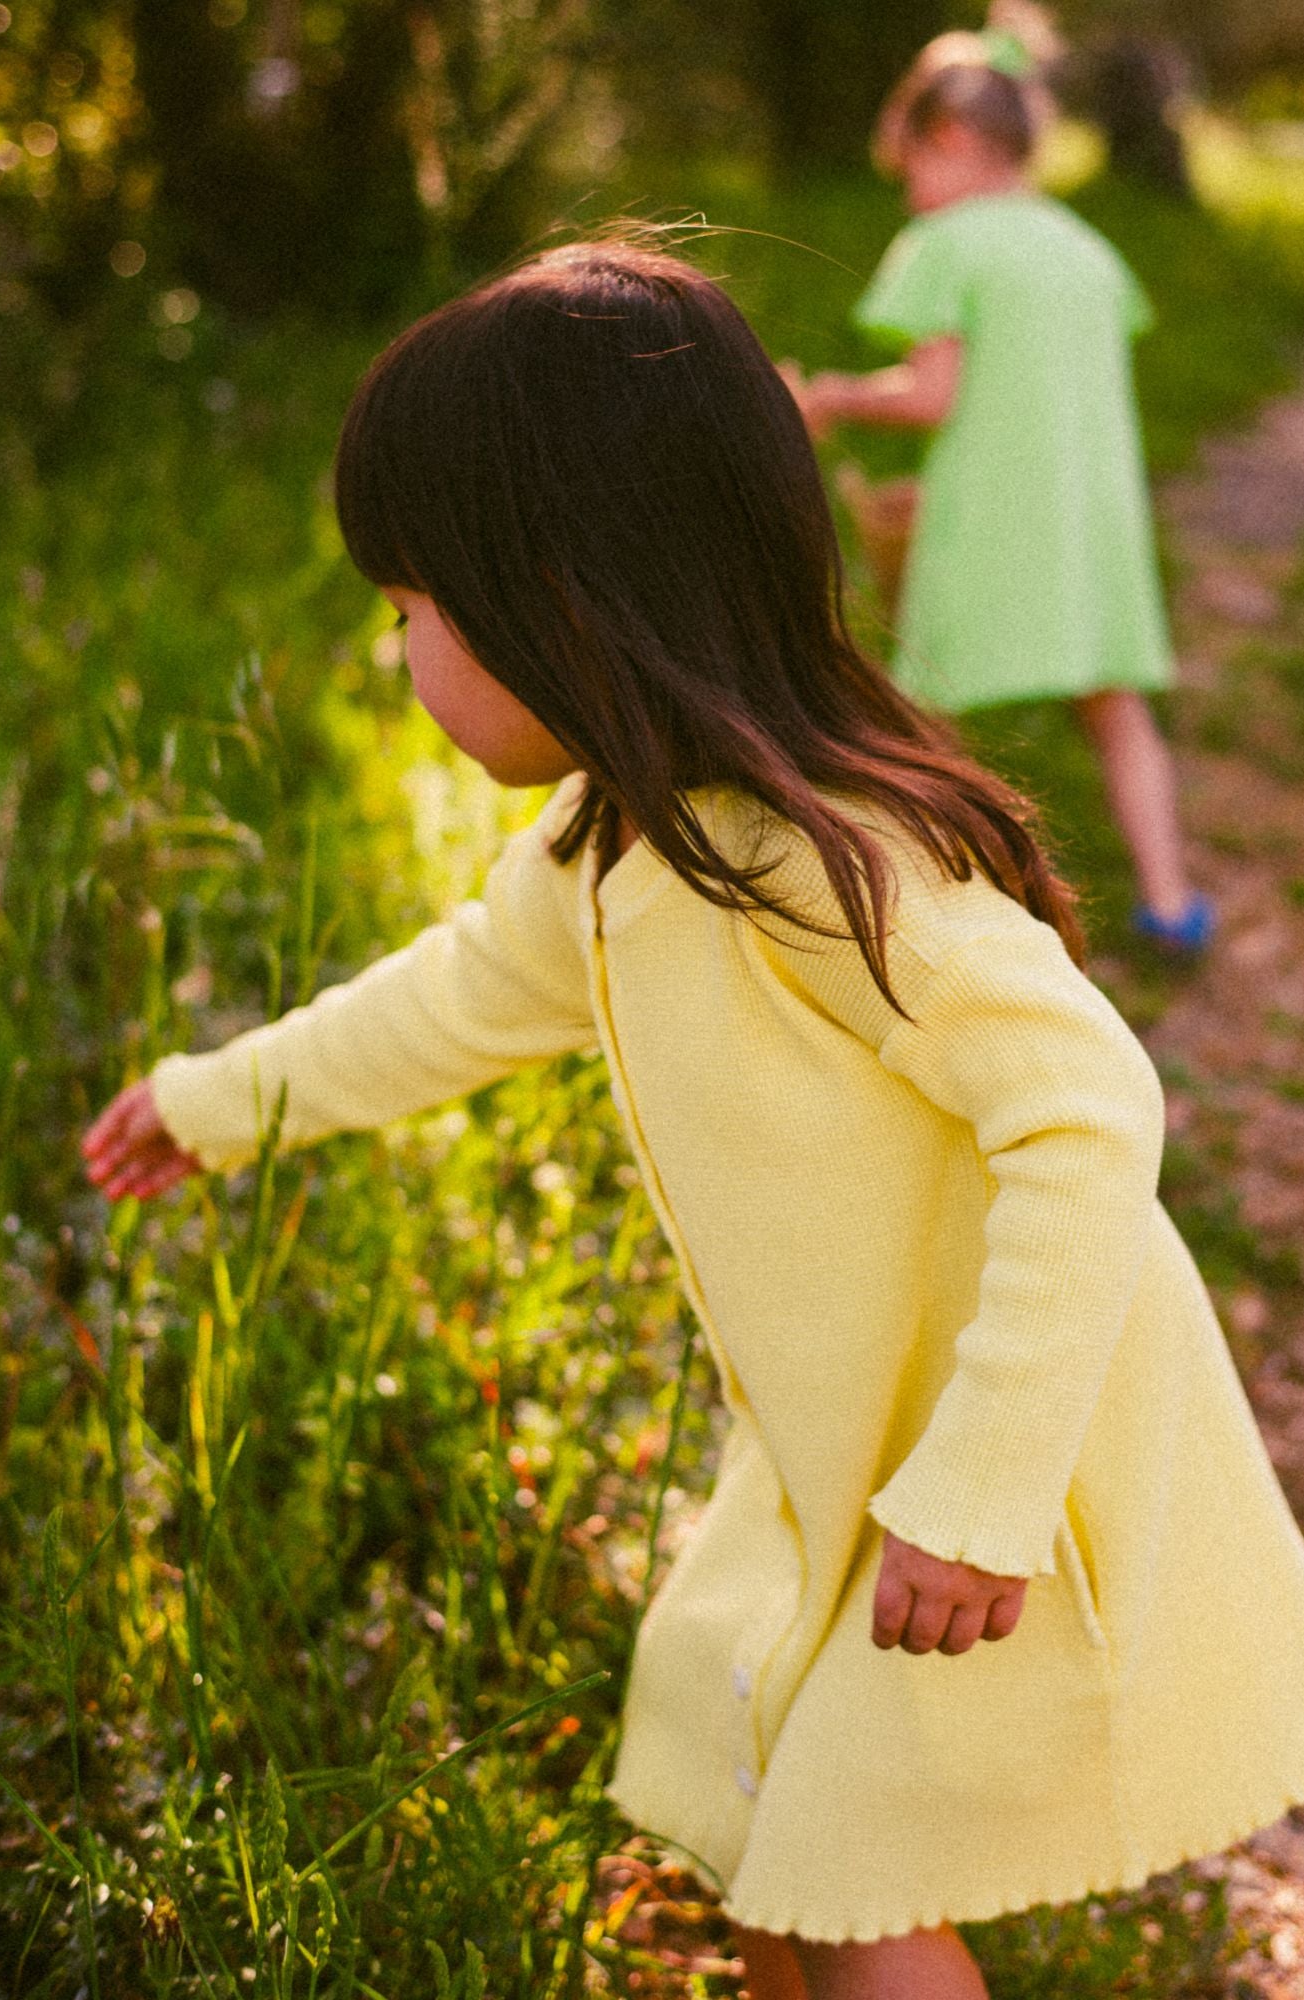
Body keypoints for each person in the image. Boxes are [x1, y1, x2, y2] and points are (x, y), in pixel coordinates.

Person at [82, 242, 1304, 2000]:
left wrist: (980, 1486)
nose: (394, 642)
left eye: (413, 599)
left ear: (557, 596)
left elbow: (1091, 1103)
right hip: (836, 1463)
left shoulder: (822, 862)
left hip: (999, 1451)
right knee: (741, 1804)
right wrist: (215, 1101)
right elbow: (434, 1011)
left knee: (853, 1871)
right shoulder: (610, 849)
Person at [785, 27, 1214, 956]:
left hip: (986, 523)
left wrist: (829, 397)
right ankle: (1170, 901)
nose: (908, 195)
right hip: (1088, 526)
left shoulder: (946, 241)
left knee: (926, 719)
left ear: (946, 140)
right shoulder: (1086, 251)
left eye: (908, 171)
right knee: (1117, 713)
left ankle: (939, 910)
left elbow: (931, 395)